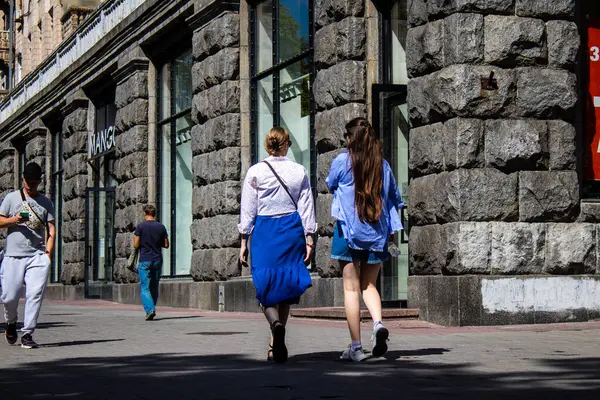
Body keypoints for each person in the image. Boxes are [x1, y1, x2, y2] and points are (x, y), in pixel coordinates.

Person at [327, 117, 403, 362]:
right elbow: (394, 197)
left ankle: (357, 348)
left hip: (348, 232)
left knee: (350, 288)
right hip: (376, 233)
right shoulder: (383, 165)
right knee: (369, 285)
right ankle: (378, 324)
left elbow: (330, 183)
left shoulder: (342, 161)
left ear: (352, 139)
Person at [238, 127, 316, 363]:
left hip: (265, 231)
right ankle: (277, 337)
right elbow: (306, 205)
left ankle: (275, 326)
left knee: (265, 287)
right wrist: (309, 237)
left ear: (267, 145)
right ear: (287, 145)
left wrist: (243, 241)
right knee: (284, 286)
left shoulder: (255, 172)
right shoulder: (298, 171)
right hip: (291, 229)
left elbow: (248, 209)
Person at [0, 162, 55, 349]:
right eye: (27, 182)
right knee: (8, 296)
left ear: (39, 181)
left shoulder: (46, 202)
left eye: (34, 183)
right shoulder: (11, 198)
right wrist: (15, 220)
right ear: (22, 179)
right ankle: (10, 322)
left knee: (34, 294)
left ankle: (28, 334)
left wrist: (48, 254)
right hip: (12, 256)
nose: (30, 186)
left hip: (37, 255)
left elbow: (52, 229)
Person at [134, 204, 169, 321]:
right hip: (157, 260)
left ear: (145, 214)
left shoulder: (140, 227)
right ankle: (151, 308)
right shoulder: (161, 227)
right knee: (154, 286)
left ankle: (150, 310)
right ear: (154, 214)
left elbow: (136, 244)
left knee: (145, 287)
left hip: (145, 260)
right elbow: (166, 245)